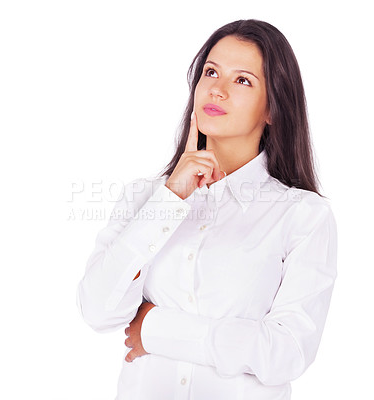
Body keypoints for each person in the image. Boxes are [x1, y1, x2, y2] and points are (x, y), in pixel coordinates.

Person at [76, 19, 338, 400]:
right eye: (210, 72)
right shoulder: (144, 198)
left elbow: (286, 353)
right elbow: (98, 311)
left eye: (242, 80)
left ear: (273, 109)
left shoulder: (303, 215)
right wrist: (169, 201)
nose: (217, 89)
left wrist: (155, 328)